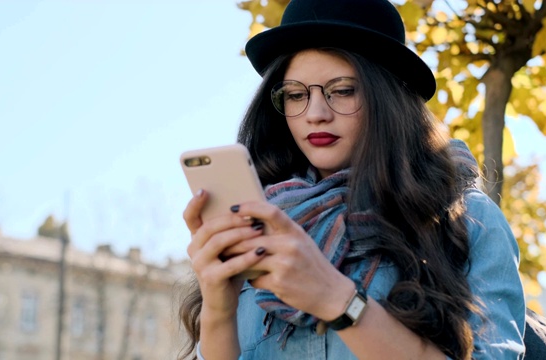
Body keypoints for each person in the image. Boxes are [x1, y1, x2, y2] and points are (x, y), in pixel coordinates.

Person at [179, 0, 526, 359]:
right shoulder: (260, 226)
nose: (315, 114)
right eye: (296, 94)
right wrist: (218, 306)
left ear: (387, 98)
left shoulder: (467, 220)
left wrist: (338, 300)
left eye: (342, 90)